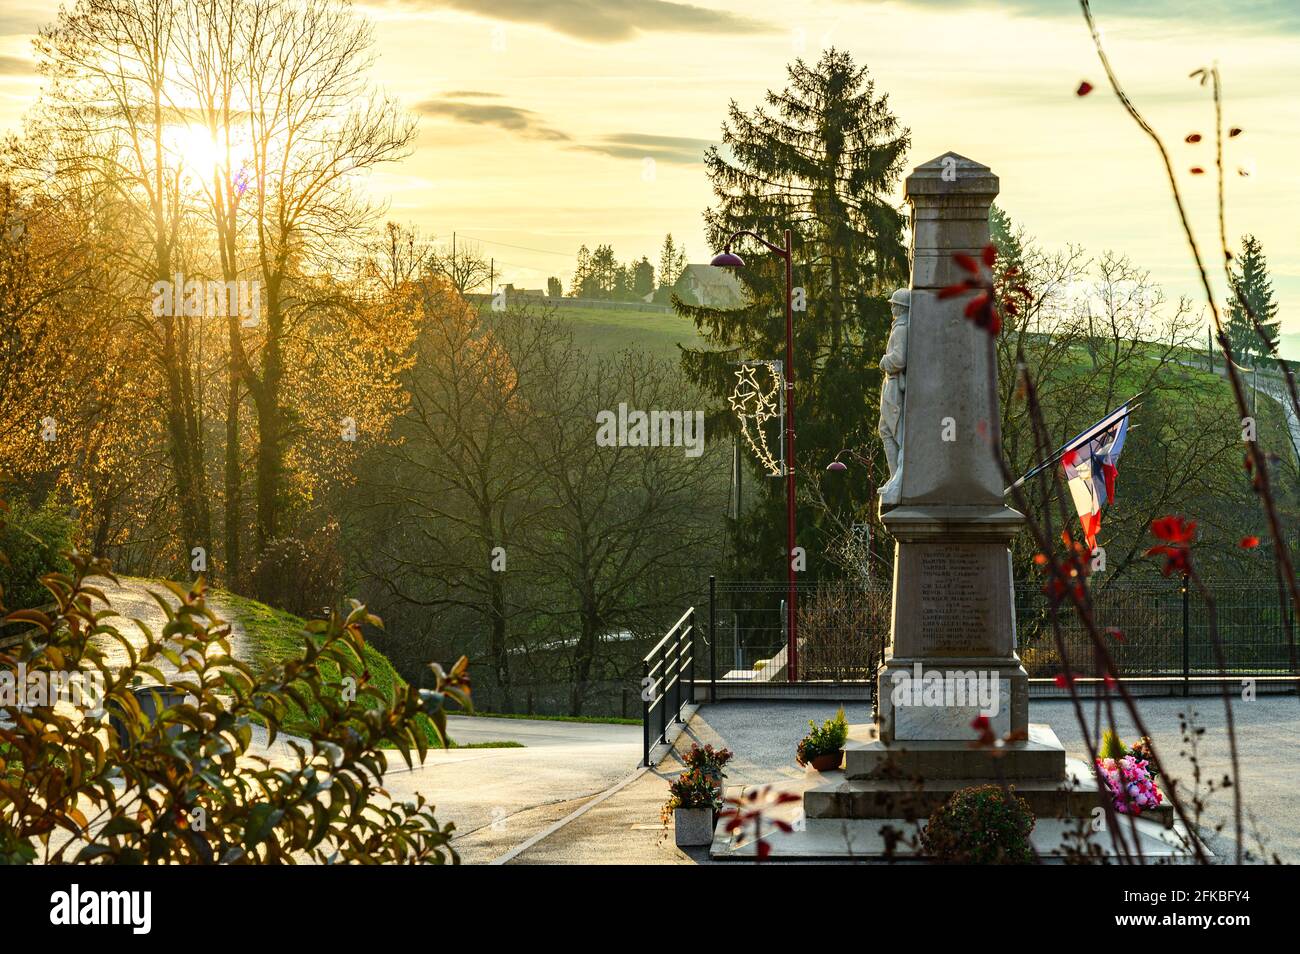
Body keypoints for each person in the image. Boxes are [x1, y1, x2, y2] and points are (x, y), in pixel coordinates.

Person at [878, 288, 909, 507]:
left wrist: (883, 361)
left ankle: (897, 477)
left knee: (892, 430)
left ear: (901, 307)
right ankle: (894, 476)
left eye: (894, 304)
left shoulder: (901, 329)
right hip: (893, 384)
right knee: (888, 430)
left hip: (895, 384)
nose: (892, 307)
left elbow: (898, 359)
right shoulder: (902, 327)